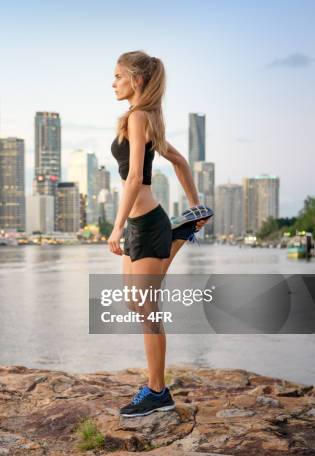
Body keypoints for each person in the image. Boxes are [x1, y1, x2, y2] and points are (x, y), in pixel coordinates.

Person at [108, 50, 211, 417]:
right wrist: (197, 206)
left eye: (119, 76)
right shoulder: (142, 118)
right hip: (142, 226)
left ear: (136, 80)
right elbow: (179, 161)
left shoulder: (139, 117)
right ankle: (180, 232)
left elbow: (136, 177)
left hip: (147, 222)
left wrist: (117, 225)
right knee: (136, 303)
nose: (113, 82)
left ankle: (157, 392)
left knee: (148, 308)